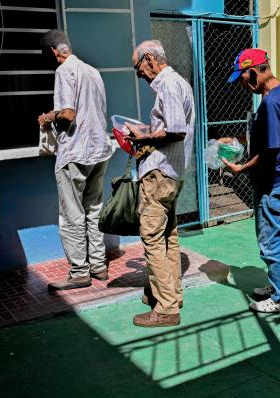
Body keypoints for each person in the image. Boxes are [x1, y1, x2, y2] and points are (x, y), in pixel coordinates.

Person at [222, 48, 280, 314]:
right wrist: (237, 142)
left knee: (270, 241)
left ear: (253, 72)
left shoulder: (270, 103)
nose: (242, 85)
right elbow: (269, 141)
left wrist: (240, 168)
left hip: (271, 182)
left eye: (242, 78)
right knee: (277, 236)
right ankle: (278, 284)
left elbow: (268, 153)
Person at [38, 30, 114, 290]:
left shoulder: (63, 71)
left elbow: (69, 114)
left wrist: (49, 117)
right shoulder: (93, 71)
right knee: (93, 210)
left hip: (76, 152)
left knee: (72, 215)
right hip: (99, 150)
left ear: (52, 52)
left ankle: (79, 272)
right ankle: (99, 266)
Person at [126, 40, 195, 327]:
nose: (139, 74)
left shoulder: (168, 84)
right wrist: (149, 132)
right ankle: (171, 294)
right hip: (172, 173)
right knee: (168, 236)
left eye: (138, 67)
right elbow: (174, 128)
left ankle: (166, 309)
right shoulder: (180, 83)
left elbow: (175, 130)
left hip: (160, 173)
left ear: (150, 59)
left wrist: (142, 137)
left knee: (153, 238)